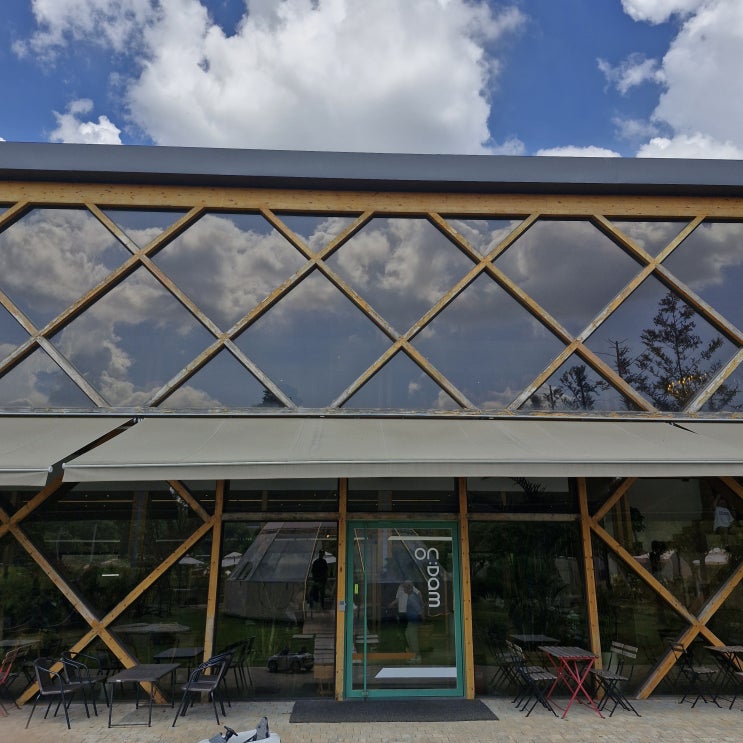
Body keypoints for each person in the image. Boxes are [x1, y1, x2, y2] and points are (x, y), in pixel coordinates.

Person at [389, 580, 424, 663]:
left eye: (405, 588)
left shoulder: (412, 597)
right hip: (411, 619)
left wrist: (423, 618)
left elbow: (419, 610)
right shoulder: (410, 596)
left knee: (412, 637)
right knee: (408, 634)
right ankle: (412, 653)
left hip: (413, 620)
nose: (403, 589)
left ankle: (416, 655)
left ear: (409, 588)